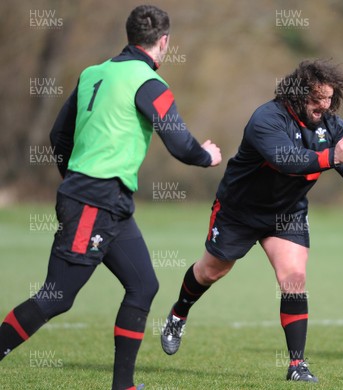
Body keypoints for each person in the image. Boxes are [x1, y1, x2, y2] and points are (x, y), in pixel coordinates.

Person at [0, 5, 221, 390]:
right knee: (57, 296)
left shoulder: (93, 73)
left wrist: (74, 179)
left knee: (143, 285)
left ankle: (124, 386)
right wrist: (207, 156)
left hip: (108, 201)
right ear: (164, 41)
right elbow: (181, 144)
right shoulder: (149, 82)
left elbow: (58, 137)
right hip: (95, 199)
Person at [160, 59, 343, 382]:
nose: (324, 105)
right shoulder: (266, 119)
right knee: (212, 270)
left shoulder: (330, 124)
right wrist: (331, 157)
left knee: (294, 277)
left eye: (329, 99)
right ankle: (179, 312)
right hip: (240, 210)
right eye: (316, 99)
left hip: (287, 212)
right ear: (297, 94)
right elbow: (286, 160)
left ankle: (297, 365)